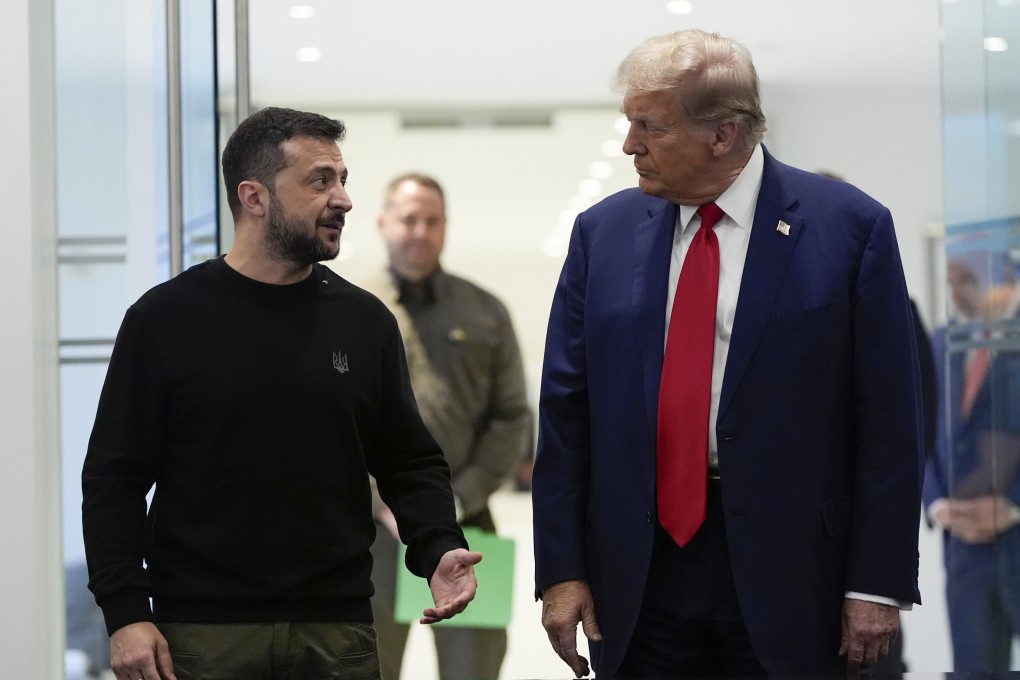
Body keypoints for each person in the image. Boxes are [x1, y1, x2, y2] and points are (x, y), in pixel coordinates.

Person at [533, 29, 923, 678]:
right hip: (640, 572)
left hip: (796, 573)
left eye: (651, 127)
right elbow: (565, 414)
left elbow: (889, 423)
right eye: (629, 122)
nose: (630, 144)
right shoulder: (602, 234)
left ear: (723, 134)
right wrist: (561, 569)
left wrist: (877, 584)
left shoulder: (850, 229)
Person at [81, 107, 481, 680]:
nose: (343, 199)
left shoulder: (365, 322)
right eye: (320, 181)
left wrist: (437, 546)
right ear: (254, 197)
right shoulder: (165, 320)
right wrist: (125, 614)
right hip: (199, 636)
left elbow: (408, 460)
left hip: (337, 632)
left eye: (342, 180)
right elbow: (113, 480)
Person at [361, 173, 531, 680]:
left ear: (445, 226)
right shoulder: (351, 310)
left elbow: (510, 416)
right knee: (365, 666)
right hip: (368, 533)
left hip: (467, 527)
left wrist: (458, 499)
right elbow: (327, 422)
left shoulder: (485, 311)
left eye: (432, 220)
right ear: (383, 223)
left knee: (472, 668)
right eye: (409, 219)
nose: (420, 231)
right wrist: (380, 500)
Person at [924, 253, 1020, 672]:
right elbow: (920, 432)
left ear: (1003, 277)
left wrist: (1013, 506)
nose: (956, 292)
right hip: (964, 550)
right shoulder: (940, 343)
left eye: (965, 279)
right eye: (950, 281)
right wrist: (938, 505)